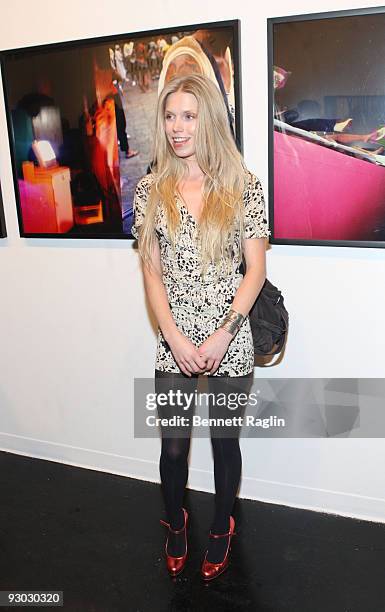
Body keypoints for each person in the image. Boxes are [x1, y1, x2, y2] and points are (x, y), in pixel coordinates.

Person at [131, 73, 270, 580]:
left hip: (228, 340)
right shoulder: (150, 189)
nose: (177, 127)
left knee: (224, 442)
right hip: (174, 340)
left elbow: (255, 270)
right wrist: (172, 336)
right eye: (170, 116)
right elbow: (151, 271)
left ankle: (221, 528)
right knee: (172, 448)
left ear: (207, 118)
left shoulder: (242, 185)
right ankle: (175, 525)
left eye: (188, 116)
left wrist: (224, 332)